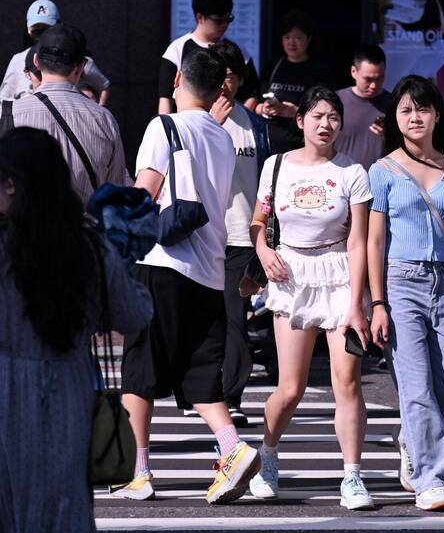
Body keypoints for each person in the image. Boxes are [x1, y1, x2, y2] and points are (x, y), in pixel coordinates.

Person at [115, 47, 260, 504]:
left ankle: (137, 471)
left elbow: (146, 194)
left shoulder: (163, 127)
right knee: (200, 372)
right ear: (220, 89)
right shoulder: (220, 135)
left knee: (139, 370)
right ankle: (232, 447)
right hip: (208, 270)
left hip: (163, 262)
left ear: (177, 79)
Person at [0, 127, 153, 532]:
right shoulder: (88, 244)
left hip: (6, 388)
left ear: (12, 185)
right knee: (64, 501)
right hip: (69, 386)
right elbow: (134, 314)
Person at [367, 75, 444, 510]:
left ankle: (411, 437)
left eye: (422, 108)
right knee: (416, 385)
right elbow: (374, 242)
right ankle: (430, 479)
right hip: (400, 281)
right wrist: (377, 302)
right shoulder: (382, 171)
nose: (414, 116)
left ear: (437, 113)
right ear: (395, 119)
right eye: (405, 110)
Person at [247, 85, 375, 510]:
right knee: (291, 388)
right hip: (291, 276)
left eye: (333, 117)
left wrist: (358, 304)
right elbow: (258, 221)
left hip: (339, 275)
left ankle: (353, 476)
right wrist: (264, 252)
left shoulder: (352, 172)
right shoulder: (275, 166)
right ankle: (267, 454)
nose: (326, 124)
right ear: (299, 121)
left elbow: (358, 242)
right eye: (317, 116)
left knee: (348, 381)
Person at [207, 40, 269, 428]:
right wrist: (209, 124)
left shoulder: (257, 127)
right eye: (220, 75)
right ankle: (202, 388)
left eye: (232, 76)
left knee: (235, 318)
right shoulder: (197, 121)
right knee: (204, 317)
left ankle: (231, 395)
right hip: (204, 234)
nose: (226, 83)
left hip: (243, 237)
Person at [8, 23, 128, 205]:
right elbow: (115, 192)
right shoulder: (104, 119)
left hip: (26, 230)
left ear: (36, 62)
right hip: (84, 230)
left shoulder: (9, 114)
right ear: (80, 68)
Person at [158, 0, 259, 114]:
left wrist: (240, 119)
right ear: (200, 17)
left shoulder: (236, 50)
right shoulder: (177, 49)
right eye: (218, 21)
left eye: (228, 19)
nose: (224, 25)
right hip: (189, 128)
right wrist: (168, 129)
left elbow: (252, 92)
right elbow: (166, 98)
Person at [0, 0, 112, 105]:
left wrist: (97, 108)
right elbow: (3, 99)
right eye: (36, 29)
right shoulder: (18, 60)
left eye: (47, 29)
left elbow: (103, 85)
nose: (42, 35)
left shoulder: (74, 56)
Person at [255, 10, 333, 154]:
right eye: (287, 37)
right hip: (268, 144)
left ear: (309, 38)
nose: (291, 42)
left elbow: (326, 110)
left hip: (300, 145)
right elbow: (257, 105)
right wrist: (264, 109)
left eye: (298, 37)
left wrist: (295, 112)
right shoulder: (273, 66)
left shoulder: (319, 71)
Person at [336, 44, 391, 169]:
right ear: (353, 72)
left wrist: (392, 136)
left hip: (378, 181)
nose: (373, 85)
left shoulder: (394, 104)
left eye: (379, 79)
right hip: (340, 180)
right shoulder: (336, 101)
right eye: (368, 79)